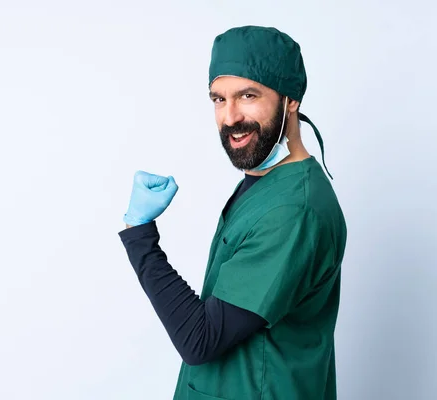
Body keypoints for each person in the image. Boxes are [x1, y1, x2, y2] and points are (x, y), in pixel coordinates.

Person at [119, 25, 347, 400]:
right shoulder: (267, 180)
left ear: (291, 99)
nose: (229, 117)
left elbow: (200, 340)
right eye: (218, 99)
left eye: (247, 95)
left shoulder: (294, 210)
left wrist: (139, 234)